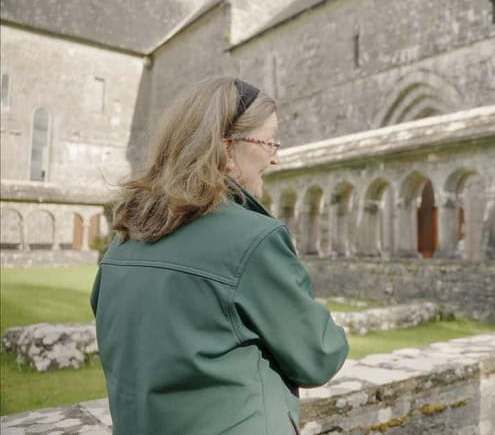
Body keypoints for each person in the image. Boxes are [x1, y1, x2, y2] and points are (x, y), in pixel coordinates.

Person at [90, 77, 349, 434]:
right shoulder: (254, 238)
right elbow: (319, 357)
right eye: (268, 141)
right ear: (227, 148)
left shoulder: (123, 239)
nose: (274, 158)